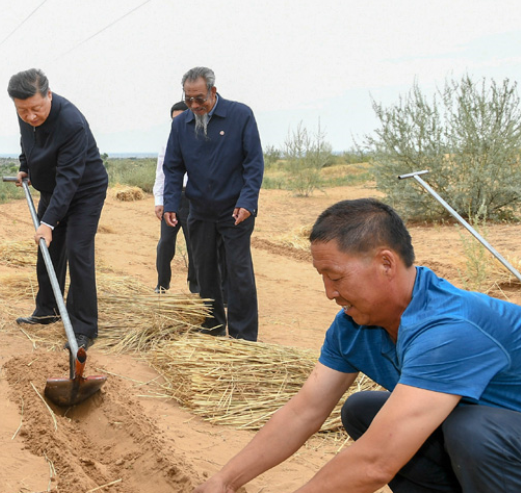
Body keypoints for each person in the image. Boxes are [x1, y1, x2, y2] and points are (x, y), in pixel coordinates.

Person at [194, 198, 521, 493]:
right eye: (322, 277)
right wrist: (224, 481)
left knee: (473, 431)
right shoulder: (354, 325)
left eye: (335, 277)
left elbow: (376, 462)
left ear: (386, 264)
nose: (329, 292)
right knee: (362, 410)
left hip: (498, 436)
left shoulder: (449, 329)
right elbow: (303, 411)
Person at [8, 68, 108, 351]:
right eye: (22, 110)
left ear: (49, 95)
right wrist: (24, 166)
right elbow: (27, 141)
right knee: (48, 250)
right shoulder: (27, 112)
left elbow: (70, 179)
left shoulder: (70, 122)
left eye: (36, 109)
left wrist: (49, 223)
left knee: (77, 251)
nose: (30, 116)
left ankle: (84, 328)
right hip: (54, 188)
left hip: (84, 190)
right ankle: (48, 309)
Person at [163, 67, 264, 340]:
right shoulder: (180, 124)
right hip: (199, 210)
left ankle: (243, 336)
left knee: (238, 271)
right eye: (188, 100)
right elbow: (172, 168)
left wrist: (247, 201)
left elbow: (254, 163)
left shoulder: (240, 116)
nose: (194, 105)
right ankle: (213, 325)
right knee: (204, 271)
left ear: (213, 92)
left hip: (235, 211)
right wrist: (171, 203)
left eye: (200, 99)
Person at [153, 101, 198, 294]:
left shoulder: (201, 141)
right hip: (172, 198)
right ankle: (162, 284)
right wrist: (159, 201)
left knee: (193, 245)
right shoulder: (168, 144)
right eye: (174, 120)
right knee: (165, 244)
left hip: (194, 199)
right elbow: (161, 174)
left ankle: (196, 288)